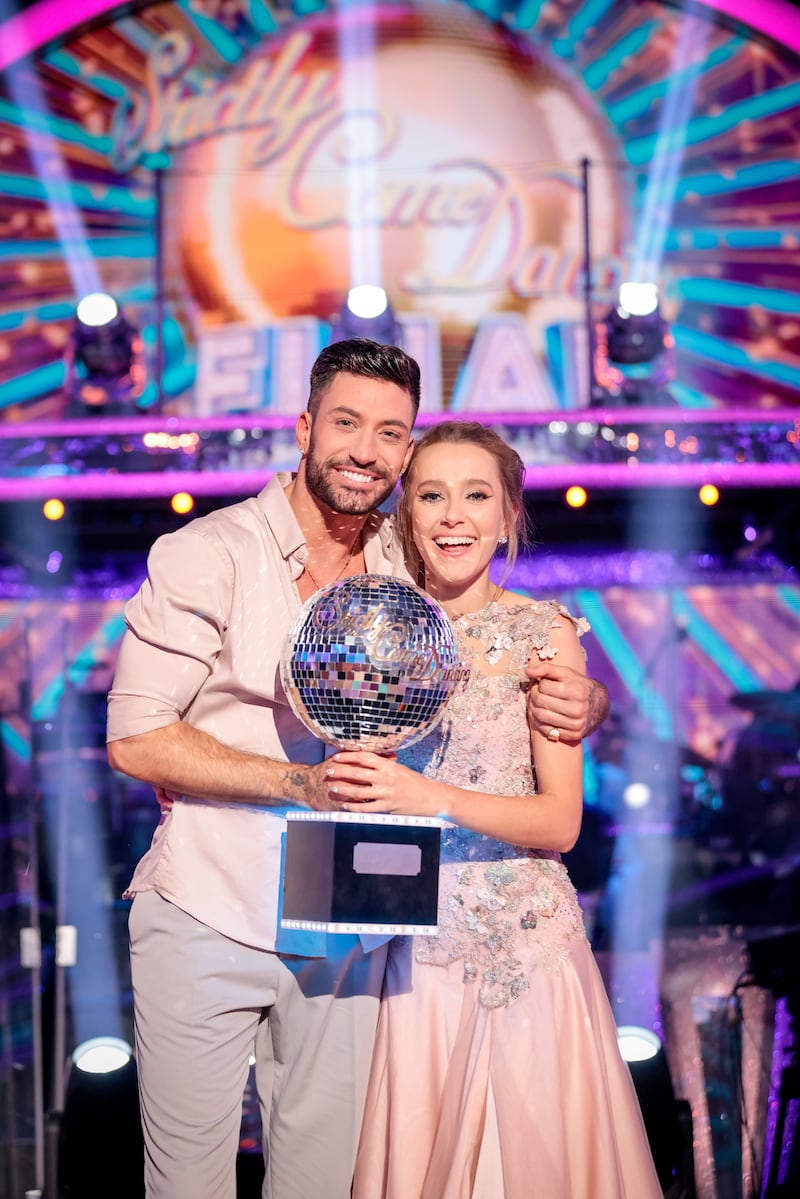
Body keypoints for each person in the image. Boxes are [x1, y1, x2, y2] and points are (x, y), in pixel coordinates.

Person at [106, 339, 608, 1199]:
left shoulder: (403, 558)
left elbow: (494, 638)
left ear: (406, 452)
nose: (364, 450)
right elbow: (135, 738)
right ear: (304, 427)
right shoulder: (207, 552)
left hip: (347, 921)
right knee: (188, 1184)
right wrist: (298, 783)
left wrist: (582, 703)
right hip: (209, 903)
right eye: (345, 423)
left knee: (322, 1182)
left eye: (389, 432)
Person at [325, 420, 661, 1199]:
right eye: (432, 495)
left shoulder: (543, 635)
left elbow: (560, 822)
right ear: (404, 513)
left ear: (509, 515)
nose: (453, 515)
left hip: (522, 950)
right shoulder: (373, 633)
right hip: (410, 951)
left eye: (477, 495)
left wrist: (426, 797)